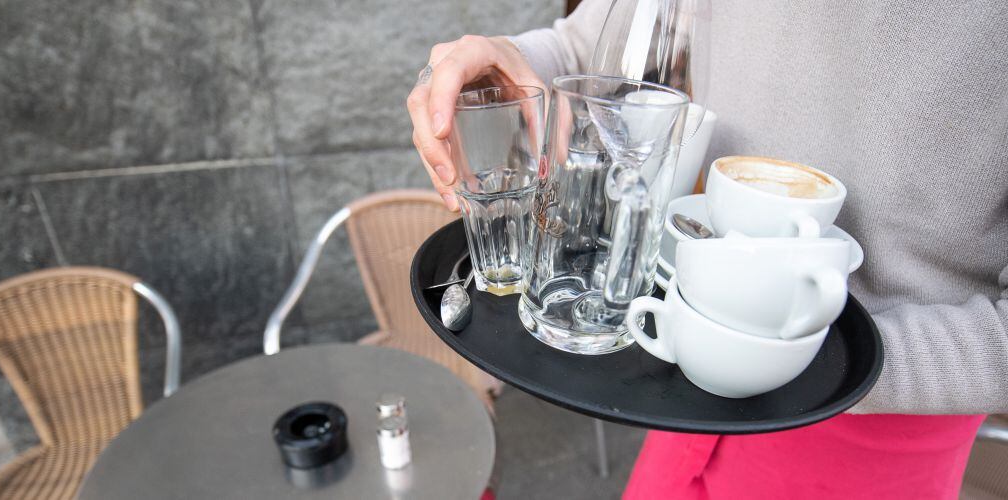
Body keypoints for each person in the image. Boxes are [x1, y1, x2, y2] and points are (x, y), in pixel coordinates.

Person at [406, 1, 1008, 498]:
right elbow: (598, 42)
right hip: (682, 347)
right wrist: (510, 62)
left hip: (877, 417)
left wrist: (784, 353)